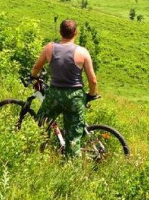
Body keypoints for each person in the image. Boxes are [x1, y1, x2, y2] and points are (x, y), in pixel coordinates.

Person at [31, 19, 99, 157]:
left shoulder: (50, 48)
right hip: (75, 97)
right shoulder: (82, 52)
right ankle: (72, 165)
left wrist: (33, 77)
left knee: (41, 123)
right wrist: (91, 95)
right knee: (74, 138)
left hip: (55, 94)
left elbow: (37, 67)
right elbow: (93, 80)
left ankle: (36, 154)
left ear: (60, 32)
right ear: (76, 33)